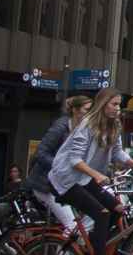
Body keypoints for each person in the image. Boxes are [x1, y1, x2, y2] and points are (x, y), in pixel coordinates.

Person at [48, 88, 133, 255]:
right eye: (114, 104)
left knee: (118, 209)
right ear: (103, 104)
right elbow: (74, 159)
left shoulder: (114, 125)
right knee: (102, 213)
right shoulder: (87, 125)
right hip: (66, 180)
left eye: (119, 104)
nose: (117, 108)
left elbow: (119, 154)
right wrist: (97, 174)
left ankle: (92, 249)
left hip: (85, 180)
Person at [28, 97, 92, 232]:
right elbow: (41, 153)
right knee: (72, 226)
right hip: (45, 185)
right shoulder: (60, 127)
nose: (90, 114)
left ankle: (68, 249)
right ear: (75, 110)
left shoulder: (82, 130)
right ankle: (62, 253)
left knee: (83, 223)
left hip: (64, 184)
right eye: (87, 110)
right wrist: (61, 167)